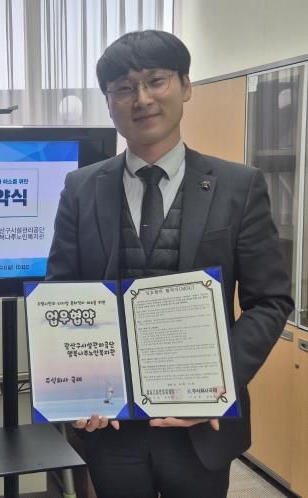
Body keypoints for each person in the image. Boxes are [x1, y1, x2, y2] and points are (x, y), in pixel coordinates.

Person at [46, 30, 293, 498]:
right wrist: (75, 388)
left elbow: (270, 301)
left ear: (185, 86)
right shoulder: (80, 189)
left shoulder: (238, 186)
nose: (142, 99)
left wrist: (218, 383)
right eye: (124, 88)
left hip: (202, 424)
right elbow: (61, 297)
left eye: (156, 81)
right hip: (110, 424)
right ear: (109, 103)